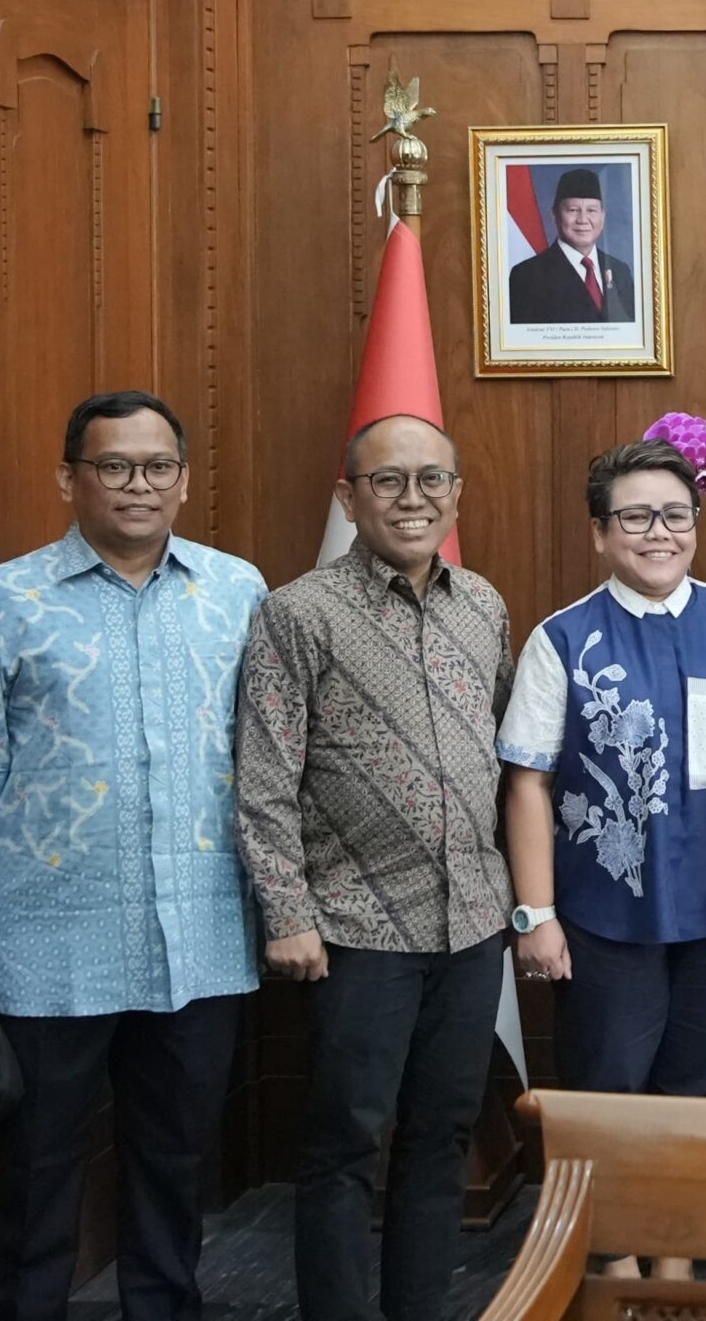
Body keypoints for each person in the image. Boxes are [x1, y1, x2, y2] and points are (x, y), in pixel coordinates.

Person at [0, 389, 268, 1321]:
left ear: (184, 482)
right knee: (34, 1174)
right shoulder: (4, 598)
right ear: (68, 478)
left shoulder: (239, 592)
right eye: (113, 466)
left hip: (202, 937)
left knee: (173, 1166)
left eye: (157, 467)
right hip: (44, 945)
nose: (136, 485)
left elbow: (275, 760)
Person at [234, 415, 515, 1321]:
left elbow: (497, 755)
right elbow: (265, 779)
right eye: (388, 482)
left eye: (432, 481)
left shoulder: (485, 606)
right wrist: (287, 914)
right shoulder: (298, 612)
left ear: (457, 495)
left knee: (443, 1136)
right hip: (358, 927)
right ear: (347, 497)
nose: (412, 499)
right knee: (345, 1143)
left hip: (471, 920)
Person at [496, 437, 706, 1107]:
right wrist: (535, 915)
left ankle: (683, 1217)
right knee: (606, 1091)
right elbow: (528, 782)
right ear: (600, 533)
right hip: (604, 921)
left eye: (675, 515)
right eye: (635, 517)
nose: (659, 533)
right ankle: (599, 1216)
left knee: (702, 1087)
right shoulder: (563, 639)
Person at [508, 167, 635, 324]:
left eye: (592, 210)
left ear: (603, 216)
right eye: (573, 210)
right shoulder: (527, 276)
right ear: (555, 216)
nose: (583, 219)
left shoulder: (620, 271)